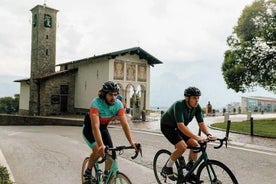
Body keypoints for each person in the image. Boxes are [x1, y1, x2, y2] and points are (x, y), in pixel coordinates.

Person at [82, 81, 138, 184]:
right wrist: (101, 145)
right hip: (89, 129)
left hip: (103, 128)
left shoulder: (118, 104)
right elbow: (95, 127)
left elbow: (125, 125)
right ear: (104, 94)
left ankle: (106, 176)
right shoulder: (96, 103)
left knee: (111, 154)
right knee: (97, 151)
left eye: (115, 94)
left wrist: (132, 142)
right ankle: (88, 171)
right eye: (110, 95)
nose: (113, 97)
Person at [160, 87, 216, 182]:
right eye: (194, 98)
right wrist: (197, 137)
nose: (197, 100)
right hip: (168, 126)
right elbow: (181, 126)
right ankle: (167, 167)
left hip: (179, 127)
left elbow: (201, 123)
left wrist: (208, 134)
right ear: (187, 98)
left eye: (198, 98)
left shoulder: (196, 107)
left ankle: (190, 171)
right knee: (182, 147)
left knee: (195, 145)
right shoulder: (179, 105)